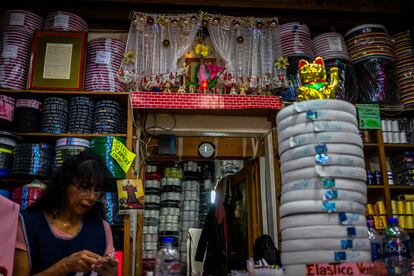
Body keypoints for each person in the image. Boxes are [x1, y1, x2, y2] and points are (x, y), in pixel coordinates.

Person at [13, 152, 118, 275]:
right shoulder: (28, 224)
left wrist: (112, 272)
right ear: (64, 184)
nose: (91, 197)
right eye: (84, 187)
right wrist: (64, 266)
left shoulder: (101, 228)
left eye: (97, 190)